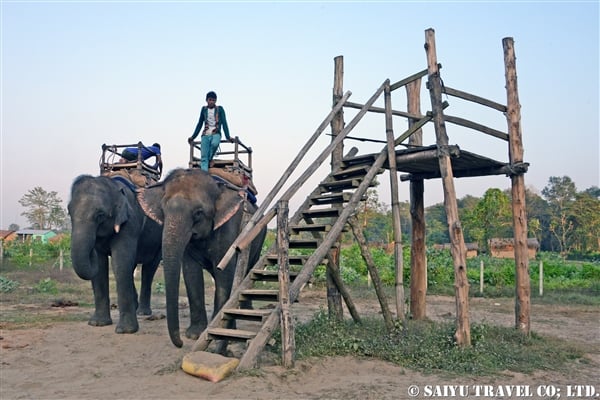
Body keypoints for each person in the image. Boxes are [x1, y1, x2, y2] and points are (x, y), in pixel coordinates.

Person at [188, 91, 234, 171]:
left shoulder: (220, 109)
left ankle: (210, 159)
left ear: (215, 101)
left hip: (216, 133)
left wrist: (228, 136)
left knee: (214, 144)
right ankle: (204, 175)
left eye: (213, 100)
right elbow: (199, 124)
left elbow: (224, 123)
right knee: (203, 157)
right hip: (205, 134)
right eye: (210, 100)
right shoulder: (204, 109)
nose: (211, 102)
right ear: (206, 100)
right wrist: (193, 136)